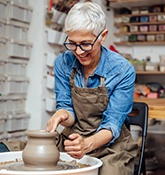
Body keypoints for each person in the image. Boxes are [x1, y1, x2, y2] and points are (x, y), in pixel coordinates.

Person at [46, 2, 138, 175]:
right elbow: (67, 109)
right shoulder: (63, 62)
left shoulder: (122, 70)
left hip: (111, 144)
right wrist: (62, 115)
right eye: (72, 43)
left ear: (103, 36)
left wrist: (86, 144)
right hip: (73, 137)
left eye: (86, 44)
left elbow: (112, 124)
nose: (79, 52)